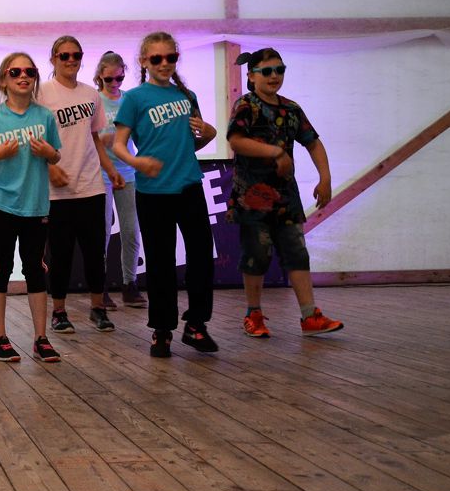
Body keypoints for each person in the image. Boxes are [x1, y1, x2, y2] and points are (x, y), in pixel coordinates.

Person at [112, 32, 218, 358]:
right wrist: (136, 162)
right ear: (144, 61)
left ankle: (196, 323)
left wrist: (210, 133)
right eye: (156, 58)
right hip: (153, 191)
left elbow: (192, 142)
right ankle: (162, 330)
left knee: (202, 256)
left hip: (189, 185)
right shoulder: (135, 98)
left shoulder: (187, 95)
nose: (164, 64)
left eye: (170, 57)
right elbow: (118, 144)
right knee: (160, 262)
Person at [227, 48, 343, 338]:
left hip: (286, 196)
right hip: (252, 197)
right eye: (266, 71)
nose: (274, 76)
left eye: (280, 70)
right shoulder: (246, 105)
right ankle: (253, 314)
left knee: (297, 253)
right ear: (251, 76)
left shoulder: (291, 109)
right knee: (256, 254)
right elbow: (236, 141)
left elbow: (313, 142)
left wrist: (325, 178)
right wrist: (275, 152)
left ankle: (309, 316)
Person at [0, 52, 63, 363]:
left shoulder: (45, 117)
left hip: (36, 206)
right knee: (1, 271)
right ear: (4, 80)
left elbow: (56, 156)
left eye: (29, 72)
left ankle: (41, 339)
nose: (23, 76)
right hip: (2, 206)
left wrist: (50, 152)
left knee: (36, 271)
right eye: (15, 72)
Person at [37, 36, 125, 336]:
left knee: (95, 252)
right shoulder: (42, 93)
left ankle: (98, 308)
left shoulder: (91, 94)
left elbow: (95, 138)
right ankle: (59, 312)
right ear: (53, 59)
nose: (71, 60)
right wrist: (50, 168)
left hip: (91, 185)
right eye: (64, 56)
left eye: (76, 55)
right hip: (58, 189)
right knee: (60, 254)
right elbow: (34, 139)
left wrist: (110, 169)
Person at [94, 51, 146, 309]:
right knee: (102, 231)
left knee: (131, 230)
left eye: (120, 78)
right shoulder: (95, 101)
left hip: (127, 172)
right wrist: (104, 139)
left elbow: (138, 135)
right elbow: (89, 138)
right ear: (100, 78)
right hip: (101, 172)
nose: (115, 84)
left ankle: (129, 283)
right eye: (109, 79)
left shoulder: (129, 100)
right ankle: (100, 286)